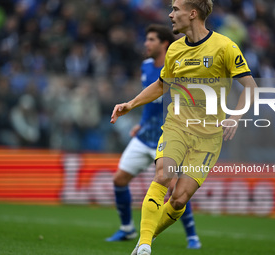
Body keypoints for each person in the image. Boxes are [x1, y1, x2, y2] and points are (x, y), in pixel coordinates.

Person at [110, 0, 258, 254]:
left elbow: (251, 88)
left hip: (209, 137)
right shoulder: (175, 49)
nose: (170, 14)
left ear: (192, 13)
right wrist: (131, 104)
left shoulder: (225, 47)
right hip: (177, 126)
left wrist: (235, 117)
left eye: (175, 9)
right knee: (163, 175)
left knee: (179, 199)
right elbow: (161, 85)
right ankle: (145, 244)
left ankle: (145, 237)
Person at [106, 24, 202, 249]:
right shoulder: (146, 66)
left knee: (175, 189)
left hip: (170, 136)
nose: (146, 44)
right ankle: (127, 228)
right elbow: (151, 99)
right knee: (119, 178)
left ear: (164, 44)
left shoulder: (179, 64)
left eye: (151, 40)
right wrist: (140, 123)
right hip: (145, 136)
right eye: (146, 39)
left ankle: (192, 236)